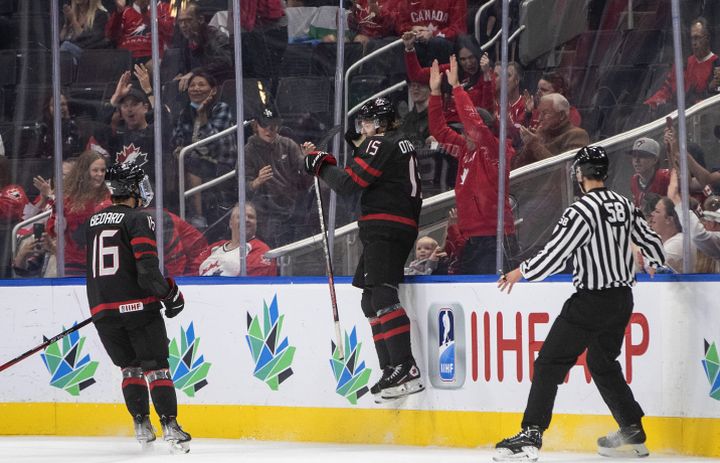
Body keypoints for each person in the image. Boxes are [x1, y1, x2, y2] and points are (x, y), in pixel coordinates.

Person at [494, 146, 666, 461]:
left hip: (591, 300)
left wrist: (522, 271)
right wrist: (654, 260)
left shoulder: (581, 210)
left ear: (580, 174)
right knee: (602, 363)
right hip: (621, 300)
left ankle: (531, 434)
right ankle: (631, 428)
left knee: (548, 363)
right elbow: (652, 241)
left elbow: (556, 253)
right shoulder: (624, 203)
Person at [302, 97, 424, 402]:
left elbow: (348, 184)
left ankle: (404, 365)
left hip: (386, 224)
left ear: (381, 123)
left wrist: (321, 164)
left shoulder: (380, 142)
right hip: (390, 224)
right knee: (370, 301)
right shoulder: (398, 143)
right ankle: (390, 368)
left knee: (382, 294)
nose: (364, 129)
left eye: (368, 122)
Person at [85, 161, 191, 452]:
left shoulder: (92, 222)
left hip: (102, 311)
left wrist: (104, 307)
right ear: (132, 188)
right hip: (139, 309)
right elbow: (147, 269)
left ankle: (141, 426)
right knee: (156, 368)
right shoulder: (137, 219)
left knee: (129, 369)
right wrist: (169, 294)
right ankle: (171, 427)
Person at [428, 56, 517, 274]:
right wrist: (435, 93)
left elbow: (475, 125)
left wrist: (457, 87)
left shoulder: (495, 150)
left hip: (494, 237)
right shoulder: (465, 149)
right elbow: (439, 130)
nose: (462, 133)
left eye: (466, 130)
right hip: (470, 238)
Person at [170, 69, 235, 229]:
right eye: (192, 85)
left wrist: (202, 116)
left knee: (192, 161)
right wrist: (179, 148)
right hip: (195, 160)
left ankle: (198, 218)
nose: (196, 88)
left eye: (201, 85)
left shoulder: (221, 108)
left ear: (213, 90)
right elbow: (176, 138)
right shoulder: (186, 111)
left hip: (220, 164)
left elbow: (213, 143)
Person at [244, 107, 310, 248]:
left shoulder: (288, 145)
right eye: (264, 126)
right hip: (264, 212)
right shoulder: (248, 150)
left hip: (290, 208)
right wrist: (257, 181)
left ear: (278, 126)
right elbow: (241, 187)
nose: (269, 130)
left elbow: (305, 178)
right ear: (256, 126)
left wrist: (308, 160)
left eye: (273, 126)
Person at [46, 151, 111, 276]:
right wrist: (57, 227)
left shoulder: (109, 197)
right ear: (84, 172)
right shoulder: (65, 199)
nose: (100, 174)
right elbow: (51, 229)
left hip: (102, 263)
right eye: (95, 170)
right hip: (73, 263)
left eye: (103, 170)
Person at [645, 17, 719, 110]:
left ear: (707, 38)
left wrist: (711, 88)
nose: (694, 43)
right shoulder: (683, 65)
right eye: (692, 39)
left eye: (697, 38)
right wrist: (652, 104)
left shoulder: (717, 66)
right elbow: (666, 91)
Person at [512, 93, 590, 169]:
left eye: (545, 113)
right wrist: (528, 145)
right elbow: (516, 168)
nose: (539, 118)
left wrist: (534, 144)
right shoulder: (541, 133)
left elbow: (565, 171)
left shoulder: (577, 135)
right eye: (539, 113)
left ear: (561, 115)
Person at [198, 202, 277, 276]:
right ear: (231, 223)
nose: (246, 220)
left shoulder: (261, 249)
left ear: (256, 224)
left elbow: (249, 284)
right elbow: (193, 270)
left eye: (251, 217)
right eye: (240, 216)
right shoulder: (215, 247)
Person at [173, 3, 234, 89]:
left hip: (217, 87)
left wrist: (194, 73)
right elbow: (183, 67)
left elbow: (224, 63)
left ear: (200, 19)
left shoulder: (216, 37)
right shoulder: (186, 41)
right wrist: (179, 76)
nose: (183, 25)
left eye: (188, 20)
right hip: (196, 88)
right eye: (180, 21)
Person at [105, 0, 175, 64]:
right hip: (126, 58)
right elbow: (110, 35)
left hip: (152, 57)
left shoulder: (165, 8)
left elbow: (170, 32)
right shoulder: (125, 11)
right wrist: (119, 12)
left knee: (160, 66)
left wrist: (145, 14)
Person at [648, 196, 694, 272]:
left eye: (657, 211)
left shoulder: (680, 242)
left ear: (669, 219)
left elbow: (650, 268)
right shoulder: (660, 239)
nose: (652, 214)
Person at [627, 137, 670, 208]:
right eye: (634, 156)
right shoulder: (634, 179)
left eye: (642, 156)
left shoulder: (666, 177)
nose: (637, 160)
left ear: (655, 160)